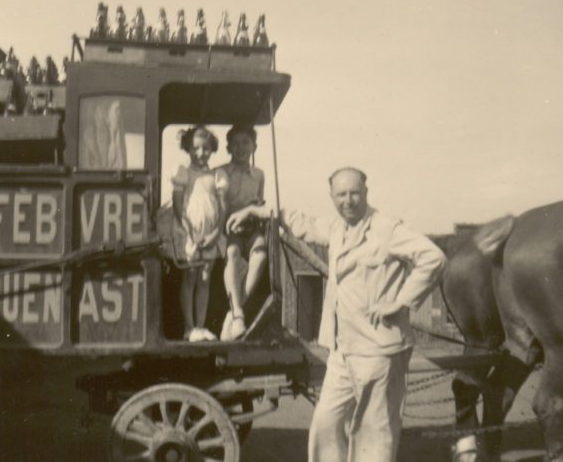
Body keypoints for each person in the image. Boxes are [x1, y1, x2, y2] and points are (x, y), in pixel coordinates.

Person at [226, 167, 446, 462]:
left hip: (378, 350)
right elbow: (299, 221)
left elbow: (433, 257)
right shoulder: (337, 228)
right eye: (341, 194)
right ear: (332, 197)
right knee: (325, 428)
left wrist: (401, 301)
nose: (348, 200)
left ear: (366, 192)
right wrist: (256, 210)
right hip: (342, 352)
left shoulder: (386, 229)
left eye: (354, 193)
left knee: (373, 434)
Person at [171, 125, 226, 342]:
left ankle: (201, 326)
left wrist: (214, 234)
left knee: (205, 278)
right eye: (195, 148)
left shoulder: (217, 175)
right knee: (190, 277)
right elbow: (177, 206)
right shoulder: (183, 173)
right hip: (190, 233)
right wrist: (190, 233)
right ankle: (189, 326)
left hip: (210, 234)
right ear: (187, 149)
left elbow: (222, 208)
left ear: (212, 149)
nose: (200, 153)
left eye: (205, 149)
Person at [215, 125, 266, 341]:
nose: (241, 147)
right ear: (228, 148)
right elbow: (219, 205)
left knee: (261, 254)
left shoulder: (259, 175)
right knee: (233, 252)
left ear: (254, 146)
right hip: (228, 227)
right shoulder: (222, 172)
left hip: (250, 226)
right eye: (235, 143)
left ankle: (235, 311)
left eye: (246, 142)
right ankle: (237, 311)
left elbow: (260, 203)